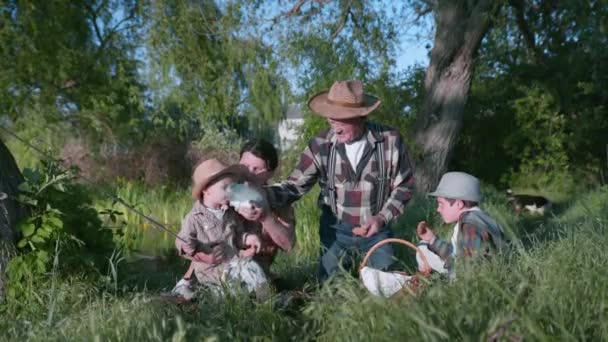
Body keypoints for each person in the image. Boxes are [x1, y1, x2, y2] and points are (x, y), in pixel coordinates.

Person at [267, 80, 415, 280]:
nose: (335, 128)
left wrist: (381, 218)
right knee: (330, 288)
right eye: (331, 120)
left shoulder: (389, 140)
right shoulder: (321, 145)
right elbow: (294, 186)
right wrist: (261, 195)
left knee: (387, 284)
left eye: (341, 120)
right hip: (335, 229)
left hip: (376, 229)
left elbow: (405, 185)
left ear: (361, 116)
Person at [171, 140, 296, 298]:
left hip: (253, 270)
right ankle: (188, 286)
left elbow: (288, 244)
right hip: (217, 268)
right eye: (245, 166)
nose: (248, 173)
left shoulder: (278, 201)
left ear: (270, 173)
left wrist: (265, 217)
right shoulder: (224, 191)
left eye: (256, 169)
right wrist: (202, 257)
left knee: (280, 291)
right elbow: (199, 233)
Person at [171, 158, 267, 300]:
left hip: (232, 263)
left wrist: (247, 238)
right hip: (210, 272)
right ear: (206, 190)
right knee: (226, 291)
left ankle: (267, 299)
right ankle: (196, 293)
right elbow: (182, 243)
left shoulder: (229, 213)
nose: (230, 192)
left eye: (232, 188)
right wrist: (193, 248)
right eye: (224, 188)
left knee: (252, 268)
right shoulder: (195, 217)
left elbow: (237, 236)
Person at [416, 172, 506, 276]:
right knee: (426, 244)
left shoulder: (470, 225)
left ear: (459, 204)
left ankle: (428, 280)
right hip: (474, 269)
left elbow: (470, 266)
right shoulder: (479, 218)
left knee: (422, 248)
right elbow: (458, 253)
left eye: (441, 204)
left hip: (469, 277)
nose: (438, 209)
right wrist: (432, 239)